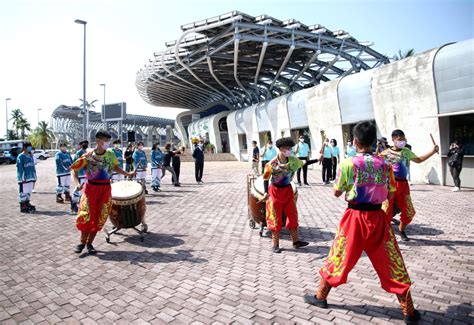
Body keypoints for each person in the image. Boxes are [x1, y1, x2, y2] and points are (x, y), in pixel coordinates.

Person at [303, 121, 420, 324]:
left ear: (355, 141)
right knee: (391, 260)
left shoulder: (348, 163)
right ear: (374, 142)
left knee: (340, 255)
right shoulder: (385, 164)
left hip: (355, 217)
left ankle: (321, 296)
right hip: (378, 217)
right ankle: (408, 310)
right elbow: (391, 191)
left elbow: (337, 192)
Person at [71, 130, 136, 255]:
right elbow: (74, 169)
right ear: (98, 141)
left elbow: (115, 167)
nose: (108, 143)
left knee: (100, 216)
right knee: (86, 214)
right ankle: (82, 242)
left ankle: (90, 243)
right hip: (91, 190)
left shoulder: (111, 154)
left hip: (105, 189)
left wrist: (128, 174)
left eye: (108, 141)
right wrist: (77, 184)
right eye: (106, 141)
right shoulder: (88, 155)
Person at [380, 129, 439, 241]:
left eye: (404, 139)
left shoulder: (406, 151)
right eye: (400, 139)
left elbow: (419, 160)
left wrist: (433, 151)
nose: (402, 141)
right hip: (390, 185)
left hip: (403, 185)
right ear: (393, 140)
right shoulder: (385, 154)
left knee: (409, 212)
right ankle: (385, 234)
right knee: (386, 211)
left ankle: (401, 230)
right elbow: (377, 166)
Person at [261, 137, 309, 253]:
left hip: (288, 191)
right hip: (275, 192)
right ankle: (275, 244)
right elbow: (266, 178)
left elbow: (304, 162)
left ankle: (296, 241)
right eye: (288, 148)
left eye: (290, 148)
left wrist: (318, 159)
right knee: (276, 218)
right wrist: (266, 192)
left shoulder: (293, 160)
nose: (290, 151)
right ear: (281, 149)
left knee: (292, 215)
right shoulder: (271, 163)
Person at [16, 142, 37, 213]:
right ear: (24, 147)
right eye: (29, 147)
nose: (30, 148)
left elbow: (33, 166)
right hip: (24, 179)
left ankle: (27, 203)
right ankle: (23, 206)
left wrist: (34, 176)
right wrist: (22, 178)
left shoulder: (30, 156)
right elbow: (20, 168)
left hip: (30, 177)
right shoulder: (20, 156)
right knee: (23, 192)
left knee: (28, 192)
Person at [71, 140, 89, 214]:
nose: (86, 145)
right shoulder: (79, 153)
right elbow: (76, 164)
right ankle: (74, 206)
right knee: (79, 190)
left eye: (87, 144)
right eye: (84, 144)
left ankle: (80, 206)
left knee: (84, 191)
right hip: (81, 174)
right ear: (81, 145)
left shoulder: (86, 152)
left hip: (85, 175)